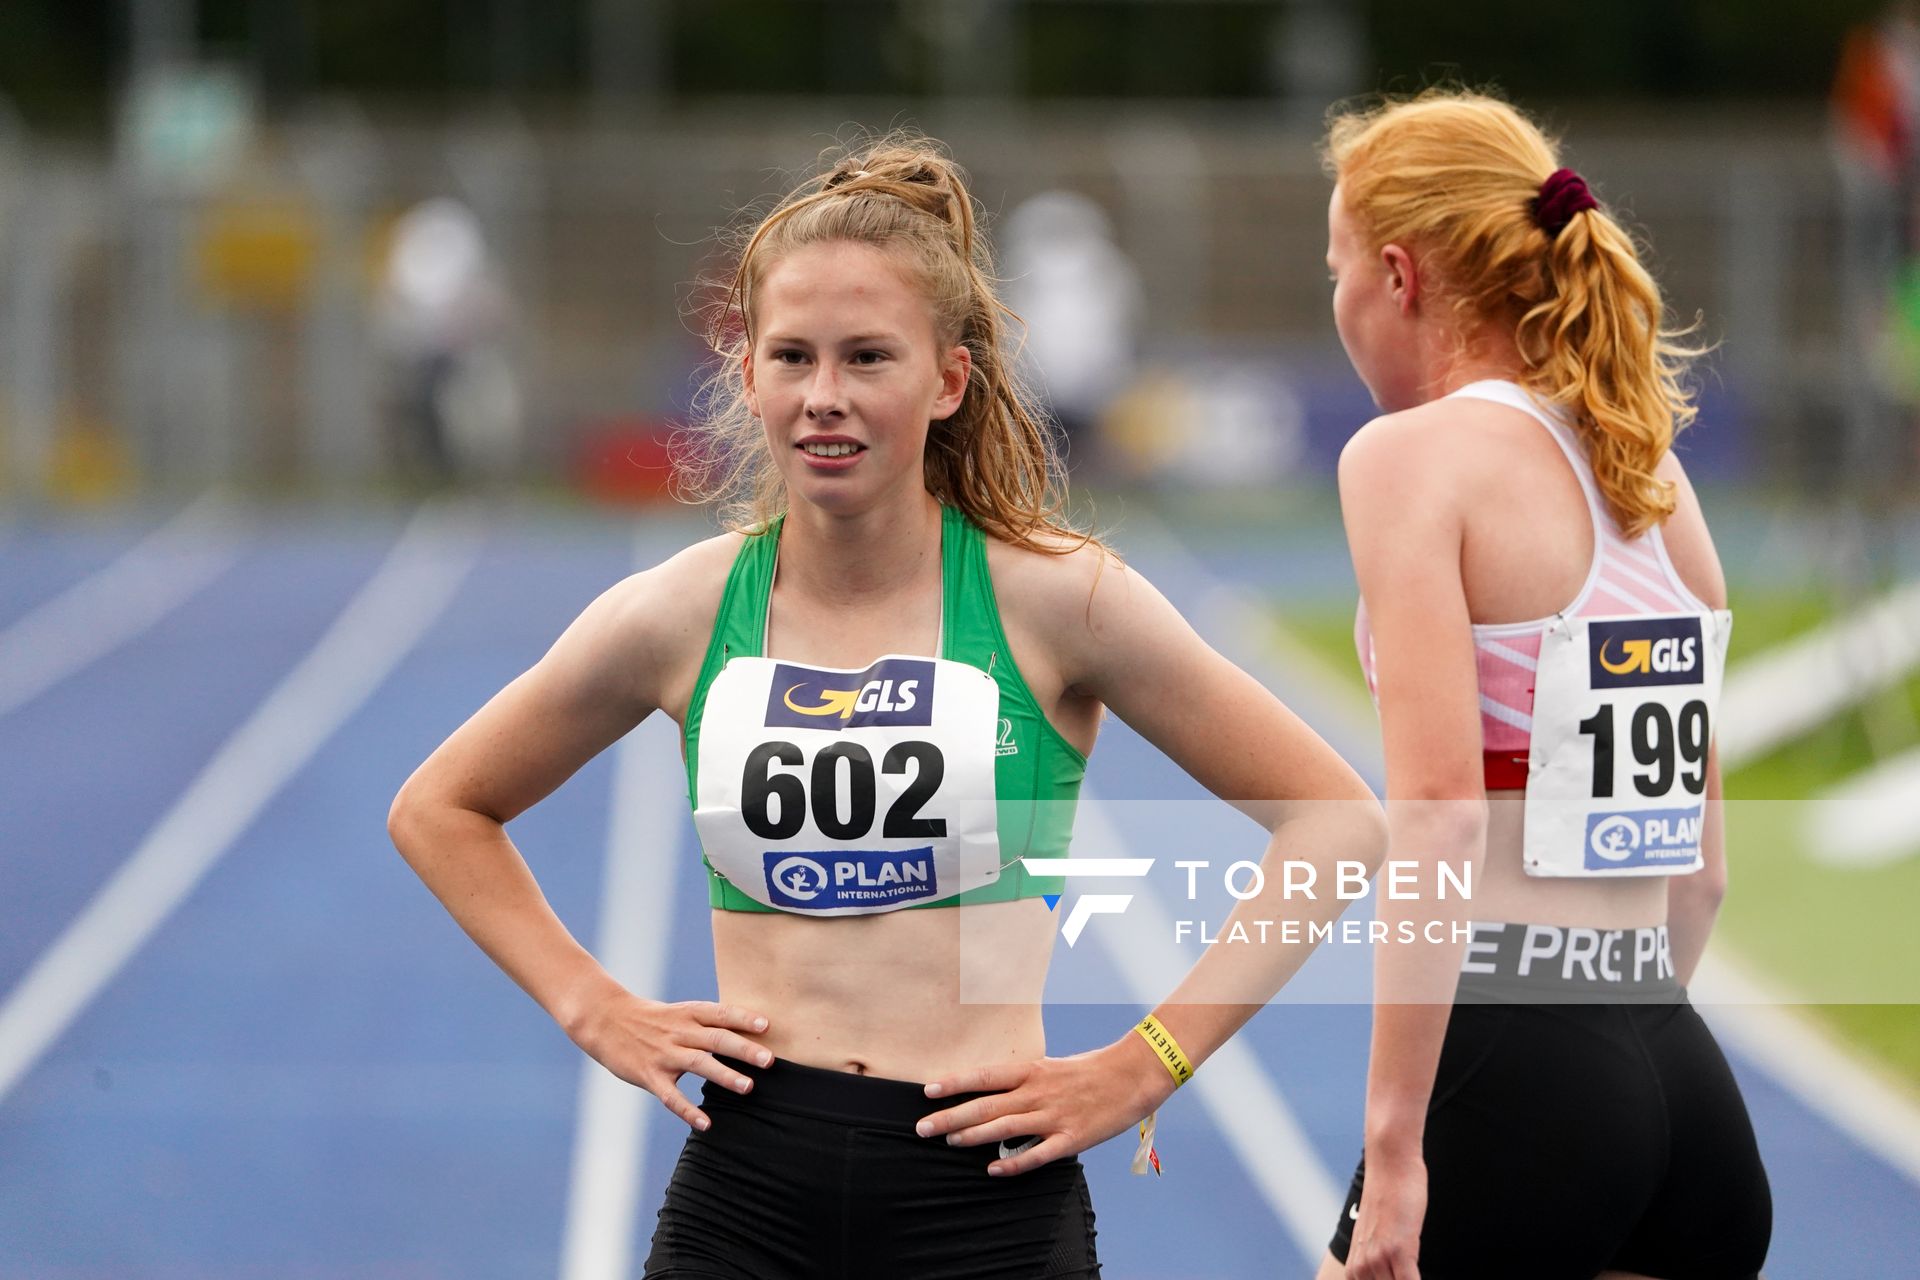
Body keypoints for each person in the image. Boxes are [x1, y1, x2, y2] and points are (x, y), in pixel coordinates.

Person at [388, 132, 1384, 1279]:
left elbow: (1337, 817)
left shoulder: (1058, 600)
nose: (825, 397)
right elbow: (441, 806)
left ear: (947, 378)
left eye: (868, 357)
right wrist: (591, 1003)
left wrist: (1149, 1060)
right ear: (748, 372)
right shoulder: (680, 611)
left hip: (986, 1196)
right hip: (747, 1192)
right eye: (793, 356)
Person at [1315, 91, 1773, 1279]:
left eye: (1337, 270)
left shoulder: (1410, 459)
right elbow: (1703, 870)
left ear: (1400, 275)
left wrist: (1396, 1139)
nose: (1339, 306)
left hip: (1518, 1059)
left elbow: (1440, 813)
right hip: (1684, 1085)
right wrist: (1617, 1050)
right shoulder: (1652, 472)